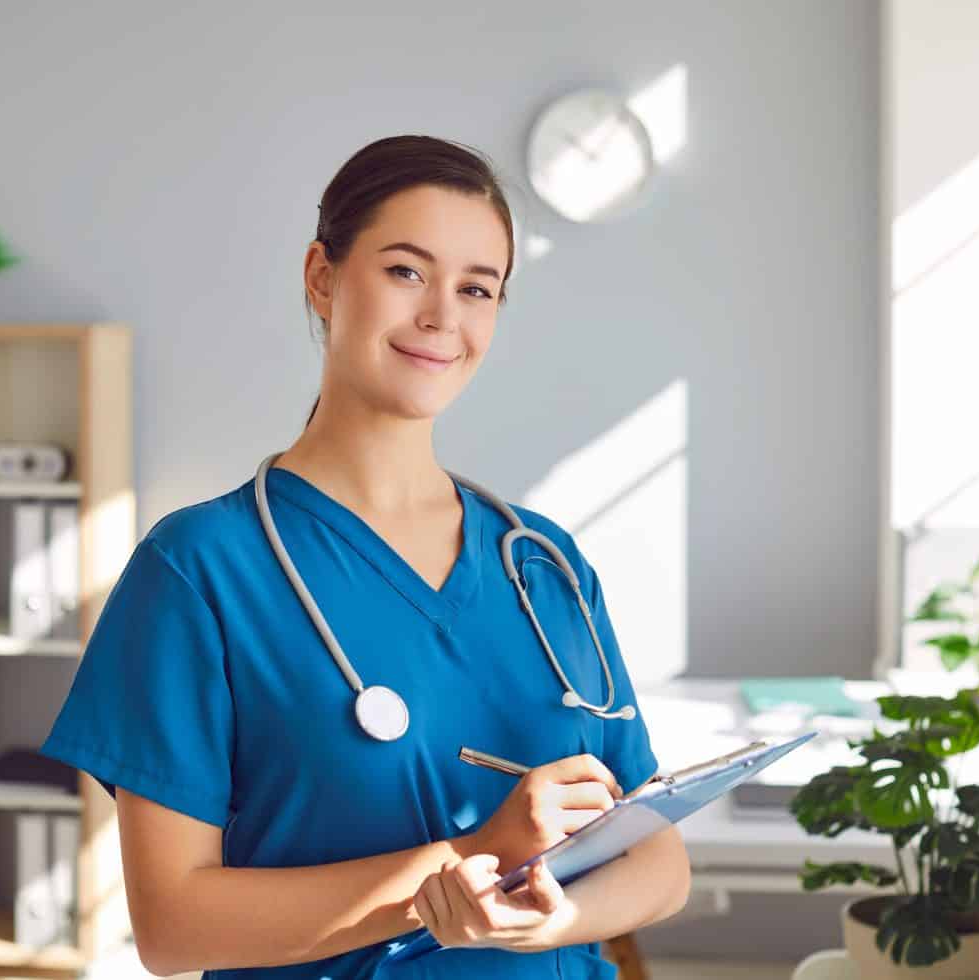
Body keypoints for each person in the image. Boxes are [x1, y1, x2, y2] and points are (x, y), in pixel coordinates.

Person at [39, 134, 691, 979]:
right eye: (406, 272)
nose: (442, 318)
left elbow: (660, 860)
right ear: (323, 276)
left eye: (477, 288)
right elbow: (172, 927)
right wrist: (470, 857)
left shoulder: (543, 563)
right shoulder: (200, 571)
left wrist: (553, 919)